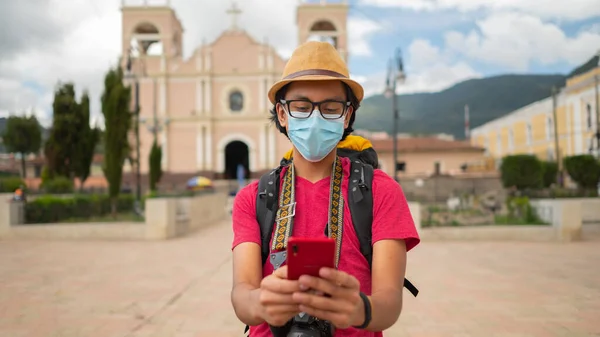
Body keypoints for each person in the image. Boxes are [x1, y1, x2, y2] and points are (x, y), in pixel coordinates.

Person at [230, 41, 420, 337]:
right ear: (282, 114)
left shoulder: (380, 191)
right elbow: (241, 295)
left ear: (347, 116)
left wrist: (361, 309)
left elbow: (390, 302)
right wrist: (260, 302)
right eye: (302, 107)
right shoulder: (254, 197)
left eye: (331, 108)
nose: (316, 118)